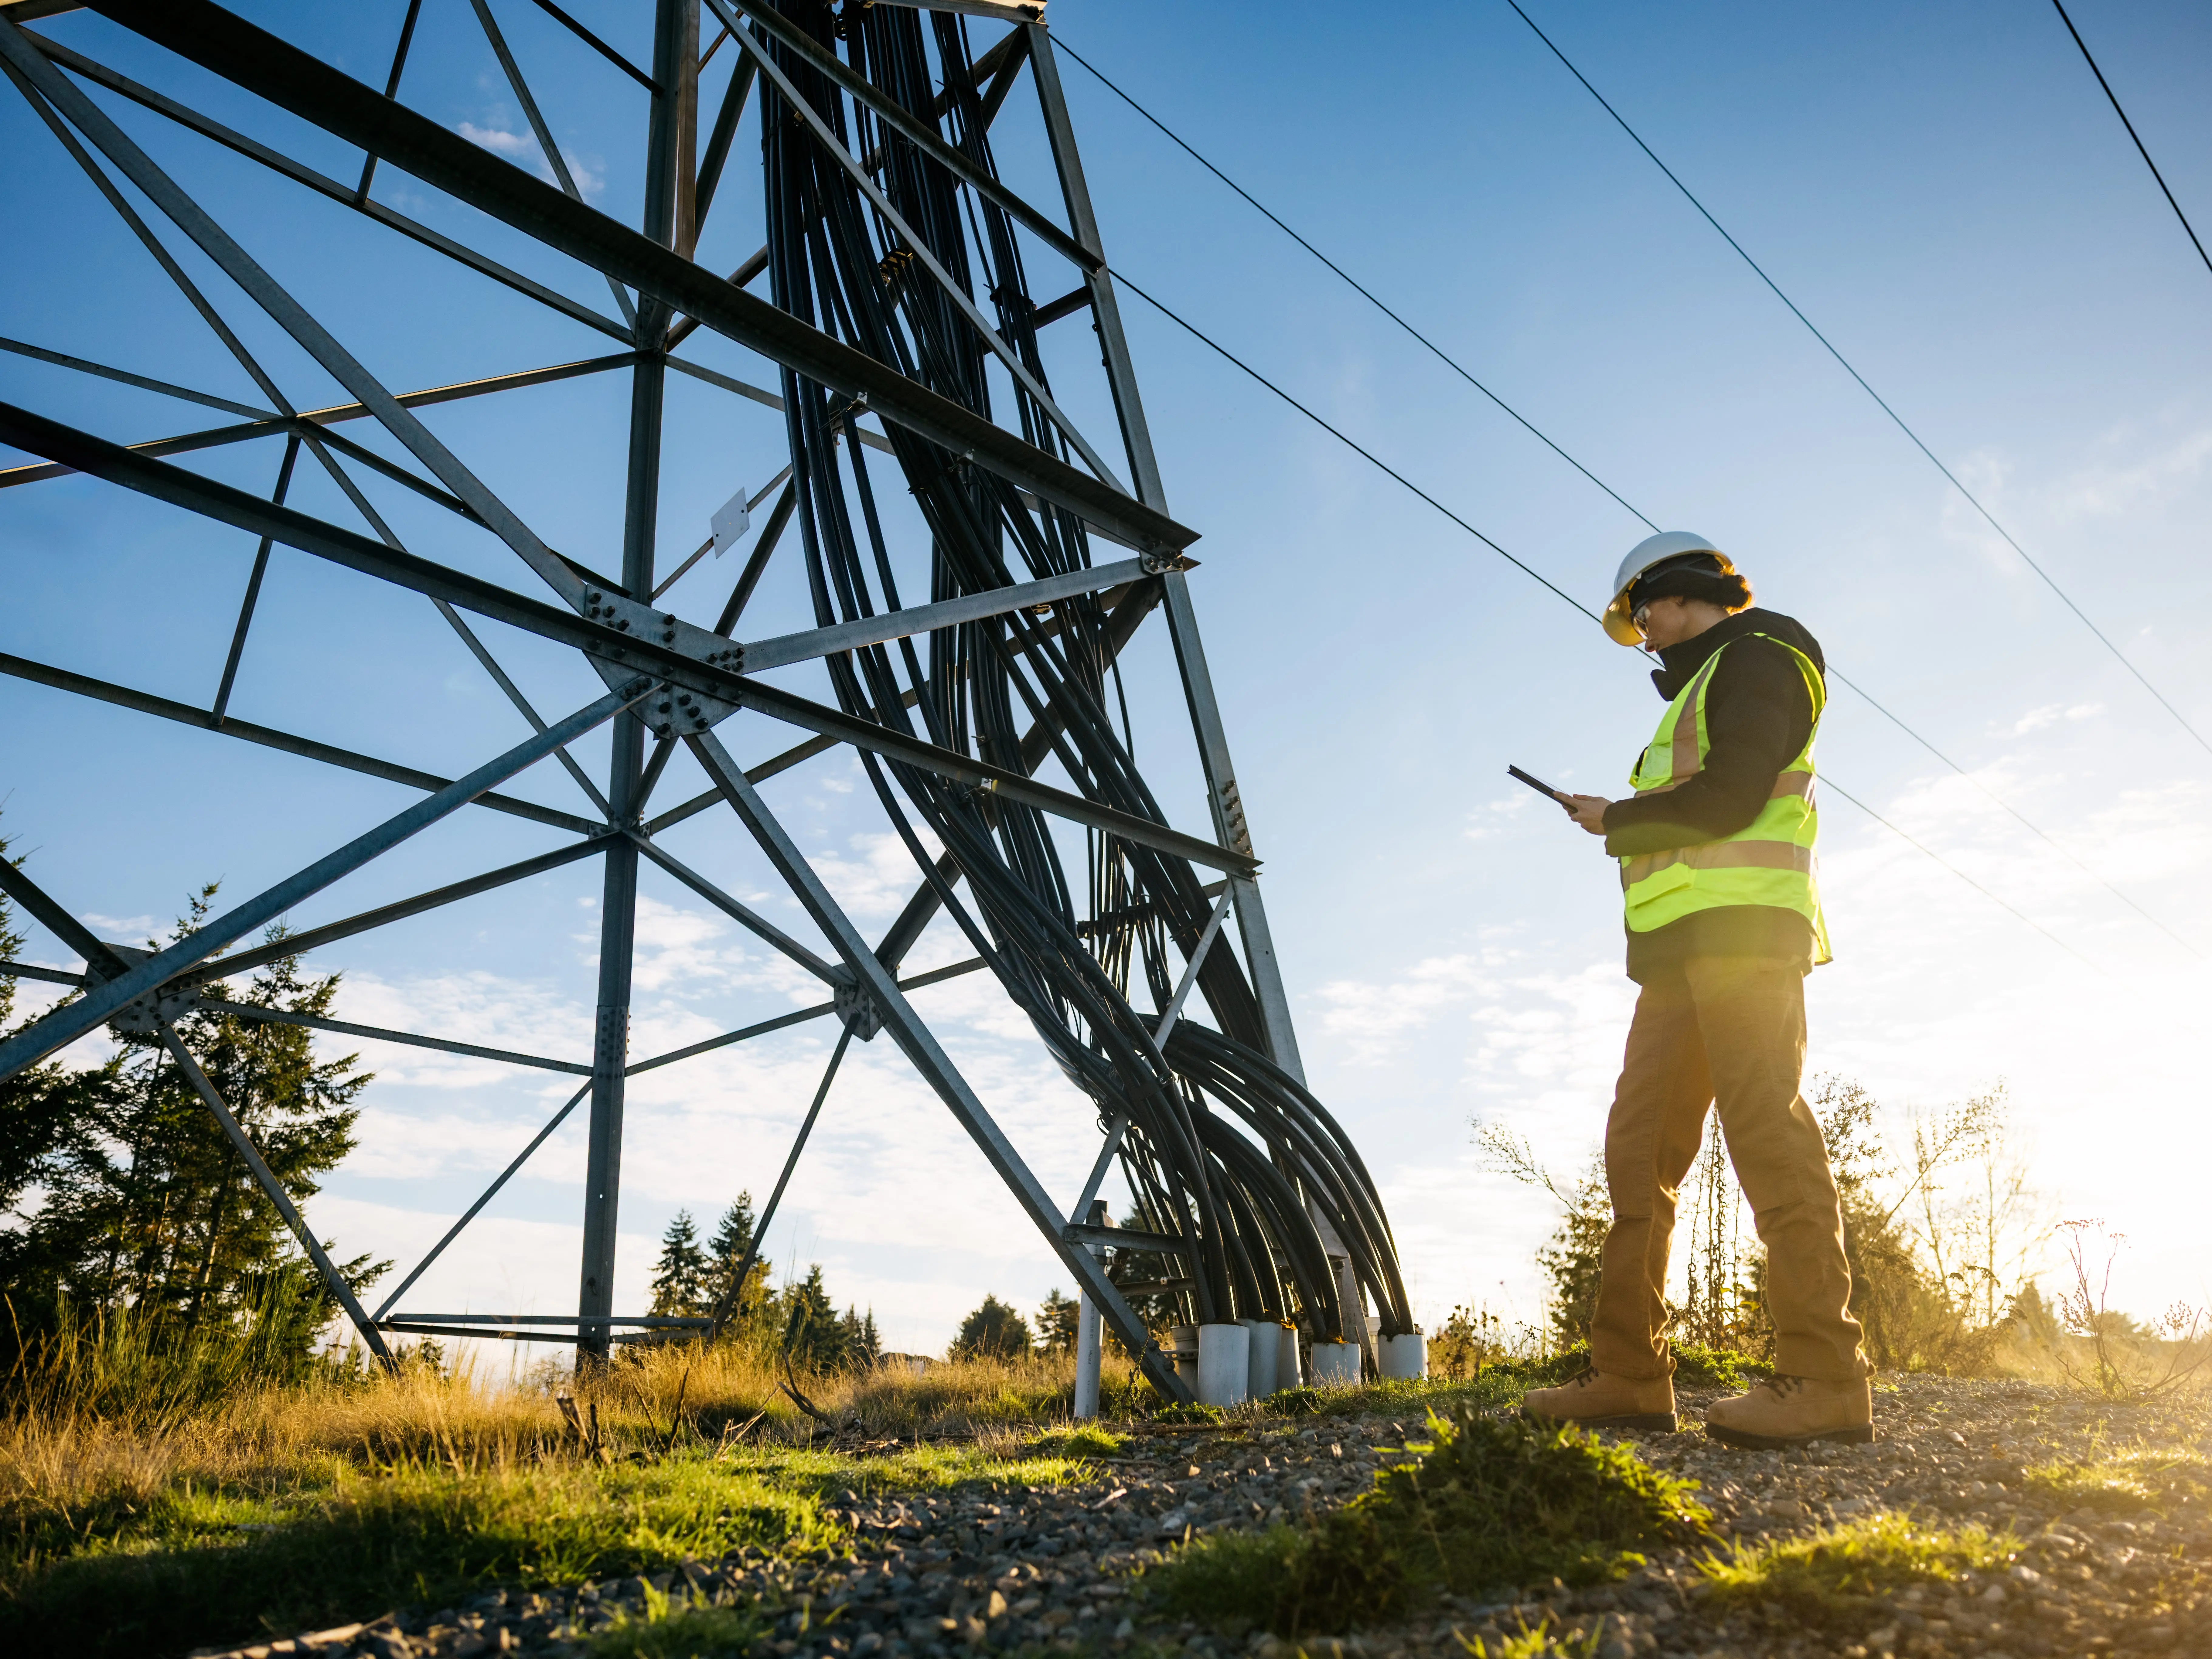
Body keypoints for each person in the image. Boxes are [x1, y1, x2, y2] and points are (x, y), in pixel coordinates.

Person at [1521, 532, 1872, 1448]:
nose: (1641, 638)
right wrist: (1622, 820)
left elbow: (1727, 800)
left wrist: (1616, 819)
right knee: (1638, 1152)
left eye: (1642, 616)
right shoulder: (1710, 684)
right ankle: (1630, 1374)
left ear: (1677, 594)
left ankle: (1825, 1376)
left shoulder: (1759, 659)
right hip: (1681, 958)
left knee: (1765, 1132)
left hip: (1748, 942)